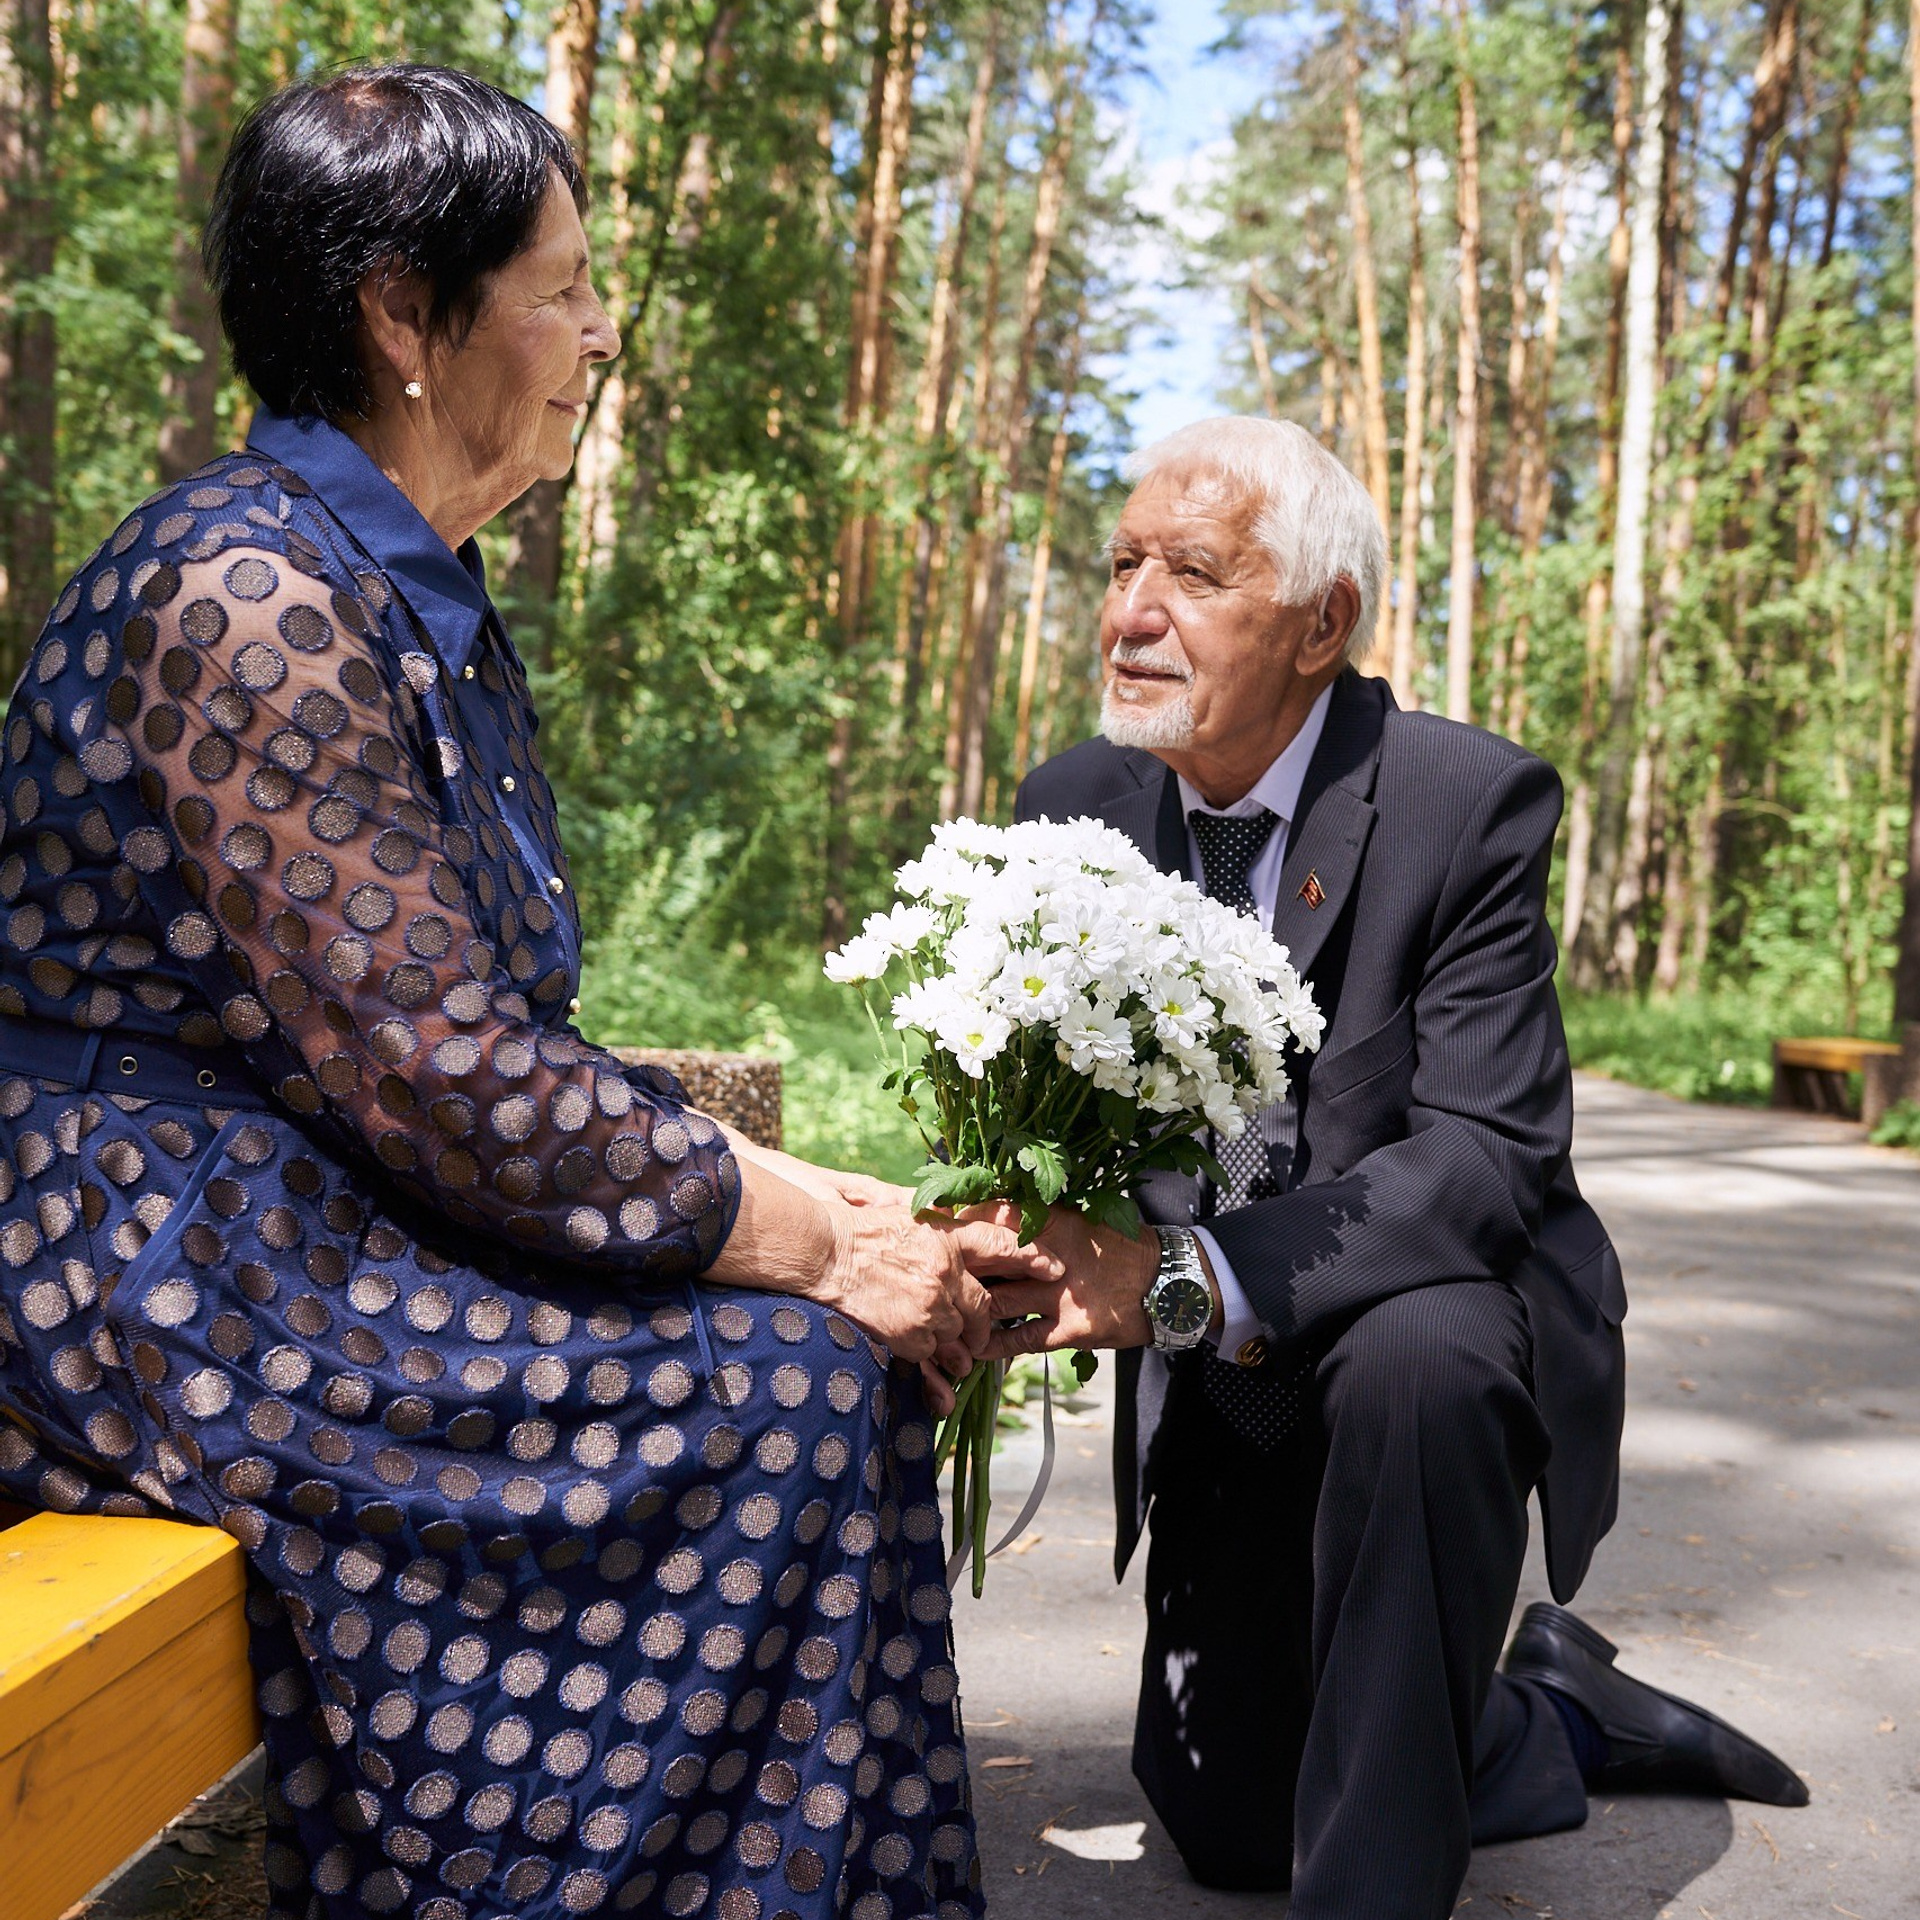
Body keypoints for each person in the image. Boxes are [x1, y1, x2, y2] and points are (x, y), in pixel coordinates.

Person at [0, 65, 1046, 1920]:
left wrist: (851, 1209)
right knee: (791, 1387)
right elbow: (450, 1079)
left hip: (308, 1214)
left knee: (830, 1365)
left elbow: (483, 1051)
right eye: (560, 290)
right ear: (405, 316)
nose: (602, 332)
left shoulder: (394, 591)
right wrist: (818, 1243)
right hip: (153, 1272)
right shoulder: (245, 594)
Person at [986, 416, 1809, 1918]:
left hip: (1410, 1351)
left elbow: (1490, 1162)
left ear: (1323, 625)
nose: (1132, 613)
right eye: (1121, 565)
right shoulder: (1073, 807)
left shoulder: (1464, 804)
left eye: (1193, 574)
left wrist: (1176, 1277)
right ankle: (1549, 1709)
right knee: (1238, 1831)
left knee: (1426, 1347)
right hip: (1224, 1378)